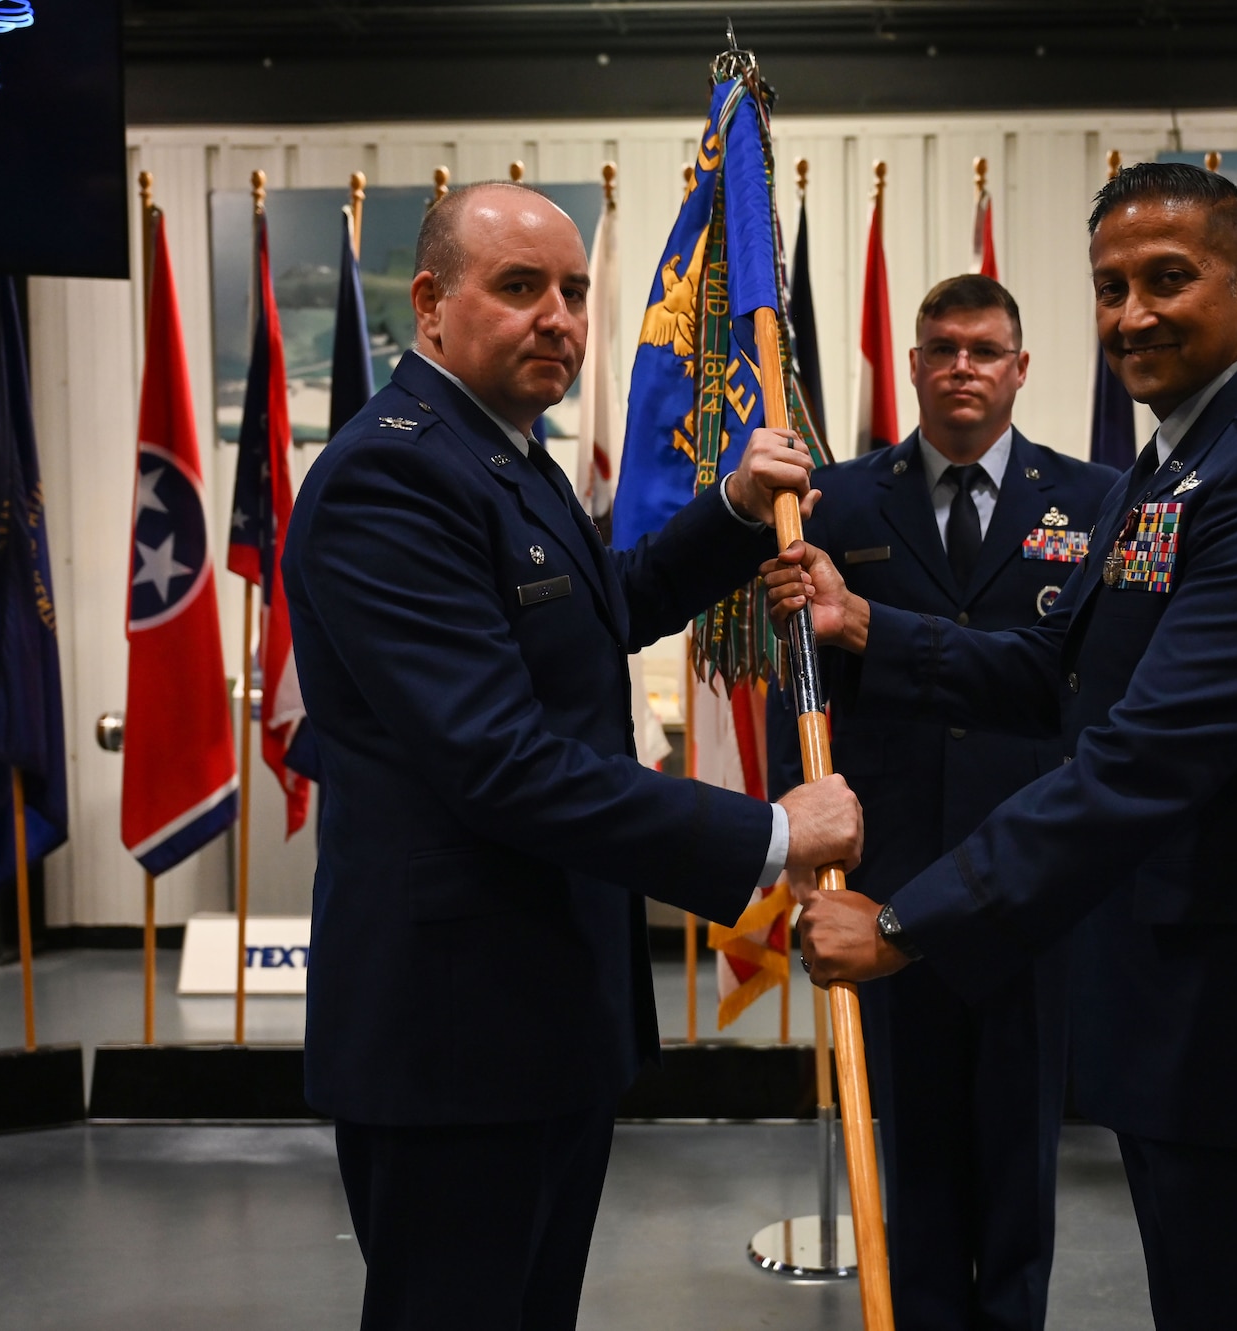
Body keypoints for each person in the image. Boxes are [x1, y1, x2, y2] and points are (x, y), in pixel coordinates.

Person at [770, 162, 1237, 1330]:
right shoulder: (1176, 460)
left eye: (1167, 279)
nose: (1131, 314)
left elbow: (1142, 756)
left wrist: (902, 922)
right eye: (1111, 285)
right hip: (1183, 1003)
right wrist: (867, 623)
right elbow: (1068, 673)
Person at [281, 181, 863, 1331]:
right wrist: (770, 831)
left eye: (573, 291)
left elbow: (597, 605)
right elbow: (497, 758)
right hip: (453, 1026)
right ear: (429, 305)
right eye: (518, 287)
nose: (558, 316)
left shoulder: (501, 453)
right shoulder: (390, 476)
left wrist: (737, 511)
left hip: (538, 1005)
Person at [768, 274, 1117, 1331]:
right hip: (893, 872)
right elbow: (801, 687)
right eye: (941, 348)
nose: (961, 366)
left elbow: (1073, 678)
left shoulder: (1093, 501)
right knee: (909, 1141)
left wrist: (869, 624)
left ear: (1019, 367)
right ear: (911, 365)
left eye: (983, 348)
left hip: (1028, 871)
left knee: (1019, 1143)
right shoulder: (834, 499)